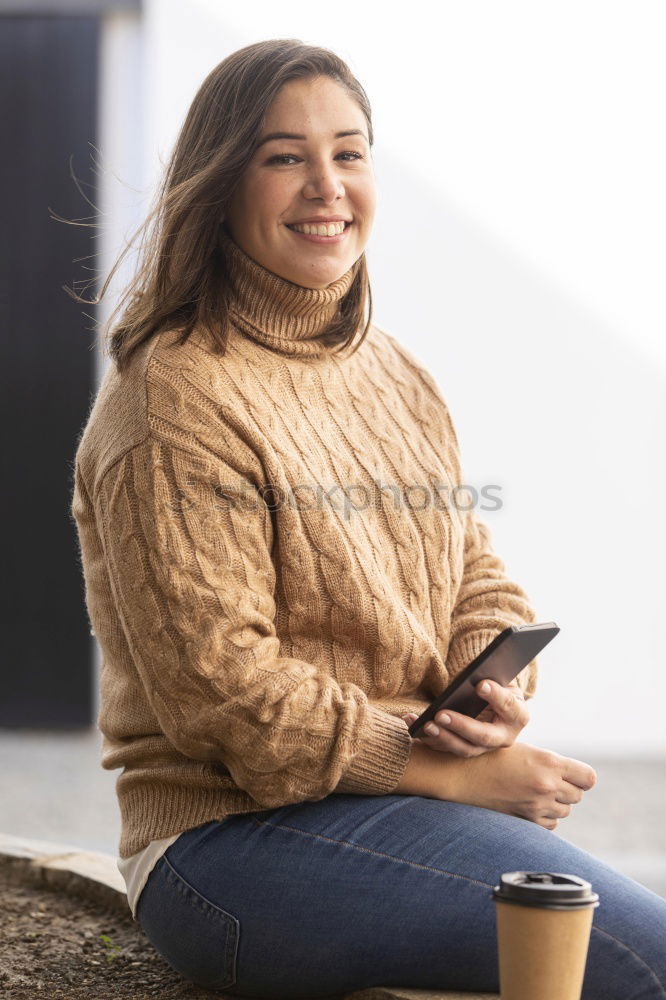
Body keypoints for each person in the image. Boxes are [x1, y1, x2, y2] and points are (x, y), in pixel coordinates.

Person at [70, 38, 666, 1000]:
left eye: (348, 153)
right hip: (224, 847)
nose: (326, 186)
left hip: (388, 807)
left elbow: (471, 562)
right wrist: (451, 775)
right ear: (219, 183)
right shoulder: (173, 398)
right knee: (640, 954)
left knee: (608, 946)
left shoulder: (391, 371)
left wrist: (490, 681)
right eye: (283, 157)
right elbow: (224, 693)